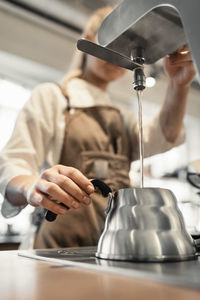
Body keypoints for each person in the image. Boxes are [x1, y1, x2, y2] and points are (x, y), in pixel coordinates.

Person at [0, 6, 196, 248]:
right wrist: (32, 186)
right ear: (88, 42)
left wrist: (179, 84)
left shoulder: (121, 116)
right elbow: (12, 167)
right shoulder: (54, 97)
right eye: (111, 43)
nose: (118, 53)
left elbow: (164, 136)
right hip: (56, 251)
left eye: (126, 46)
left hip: (115, 249)